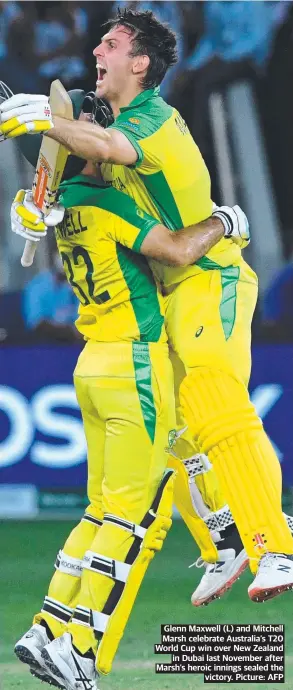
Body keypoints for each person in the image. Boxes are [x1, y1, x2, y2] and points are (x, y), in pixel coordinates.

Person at [2, 6, 292, 608]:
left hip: (212, 275)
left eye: (109, 44)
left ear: (140, 63)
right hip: (169, 289)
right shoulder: (104, 128)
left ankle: (276, 545)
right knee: (170, 432)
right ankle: (224, 540)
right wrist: (36, 207)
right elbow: (71, 176)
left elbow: (100, 142)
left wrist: (38, 116)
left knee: (213, 398)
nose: (95, 52)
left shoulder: (154, 119)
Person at [11, 91, 247, 688]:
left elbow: (45, 198)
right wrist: (225, 221)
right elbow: (173, 249)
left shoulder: (60, 203)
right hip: (135, 366)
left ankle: (46, 625)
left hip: (91, 364)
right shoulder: (109, 199)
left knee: (99, 510)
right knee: (131, 520)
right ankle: (80, 647)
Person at [22, 250, 80, 343]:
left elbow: (83, 322)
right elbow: (36, 324)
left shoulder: (81, 285)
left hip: (76, 346)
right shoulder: (38, 285)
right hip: (46, 346)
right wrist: (67, 332)